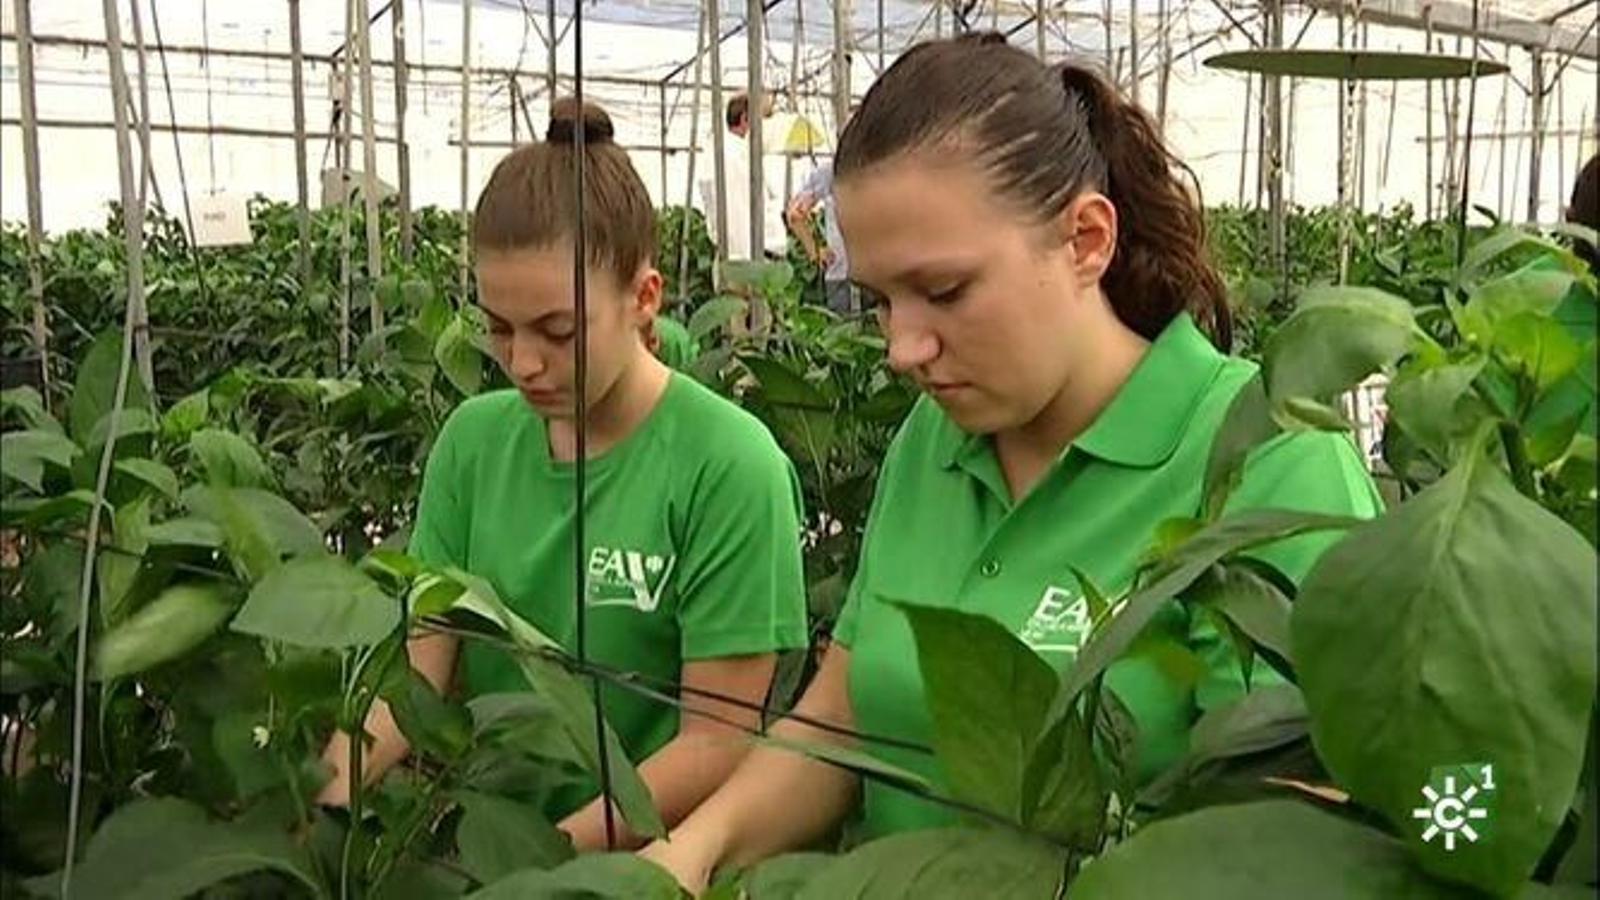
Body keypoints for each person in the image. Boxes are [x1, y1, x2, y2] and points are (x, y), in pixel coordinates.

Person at [641, 34, 1382, 891]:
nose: (903, 348)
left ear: (1085, 240)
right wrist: (683, 860)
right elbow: (843, 718)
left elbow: (1284, 839)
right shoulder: (935, 436)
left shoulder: (1268, 454)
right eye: (882, 300)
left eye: (946, 292)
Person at [316, 98, 809, 851]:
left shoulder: (731, 466)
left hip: (646, 868)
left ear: (644, 300)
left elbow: (716, 744)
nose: (523, 363)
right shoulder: (473, 443)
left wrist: (544, 859)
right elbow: (415, 676)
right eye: (499, 328)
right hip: (483, 842)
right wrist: (321, 807)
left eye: (558, 331)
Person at [786, 158, 855, 314]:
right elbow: (795, 214)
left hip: (870, 277)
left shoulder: (832, 170)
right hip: (845, 277)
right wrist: (814, 252)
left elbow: (795, 214)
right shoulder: (830, 171)